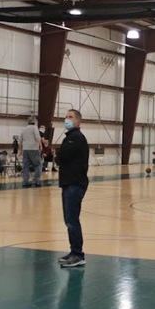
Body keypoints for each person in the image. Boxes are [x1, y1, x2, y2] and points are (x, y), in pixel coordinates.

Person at [56, 109, 89, 268]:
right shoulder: (69, 138)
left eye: (70, 117)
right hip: (68, 183)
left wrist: (57, 154)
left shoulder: (76, 138)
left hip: (74, 184)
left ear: (78, 121)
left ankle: (78, 254)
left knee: (72, 220)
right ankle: (73, 251)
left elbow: (62, 156)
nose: (67, 119)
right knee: (69, 220)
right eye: (66, 117)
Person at [20, 117, 43, 188]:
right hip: (33, 149)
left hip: (25, 149)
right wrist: (40, 145)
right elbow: (37, 137)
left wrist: (20, 150)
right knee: (38, 165)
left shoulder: (24, 129)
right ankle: (36, 181)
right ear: (34, 122)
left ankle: (25, 182)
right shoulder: (34, 128)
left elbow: (20, 141)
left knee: (25, 166)